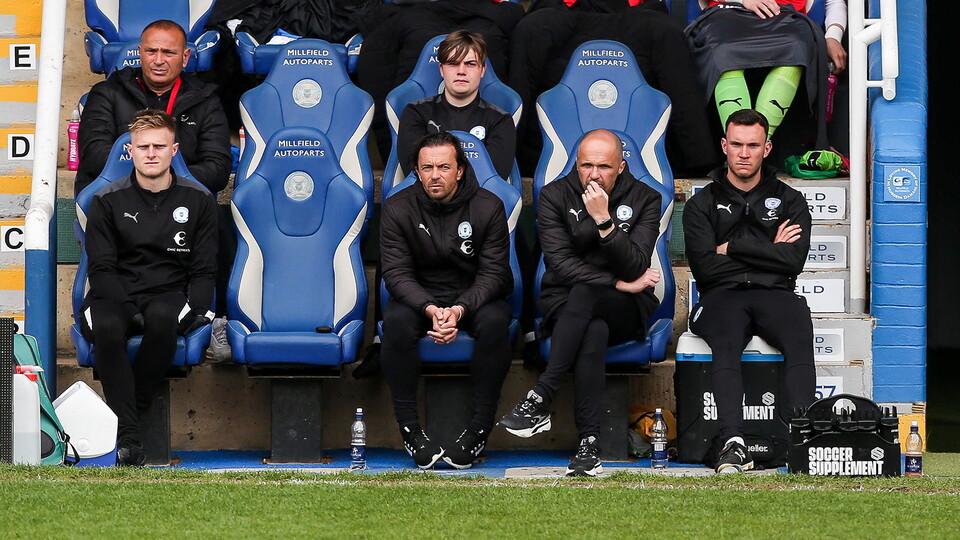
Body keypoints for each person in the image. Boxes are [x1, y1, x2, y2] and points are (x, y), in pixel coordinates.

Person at [499, 129, 662, 477]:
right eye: (586, 165)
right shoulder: (556, 194)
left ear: (621, 165)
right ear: (576, 164)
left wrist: (604, 221)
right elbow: (561, 266)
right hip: (568, 301)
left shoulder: (647, 197)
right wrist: (617, 281)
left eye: (604, 166)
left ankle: (542, 395)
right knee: (592, 327)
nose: (594, 174)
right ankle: (590, 445)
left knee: (589, 299)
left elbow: (636, 263)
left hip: (626, 307)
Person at [80, 110, 218, 466]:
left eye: (160, 145)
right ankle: (129, 436)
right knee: (108, 326)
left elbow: (203, 271)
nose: (152, 153)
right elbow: (101, 269)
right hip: (113, 295)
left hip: (167, 293)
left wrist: (197, 308)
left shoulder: (199, 200)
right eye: (143, 147)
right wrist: (129, 311)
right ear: (132, 151)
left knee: (162, 318)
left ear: (175, 149)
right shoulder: (106, 200)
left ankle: (125, 431)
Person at [682, 109, 815, 473]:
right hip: (721, 296)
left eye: (752, 145)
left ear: (766, 148)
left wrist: (733, 248)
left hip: (775, 294)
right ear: (724, 146)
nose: (744, 153)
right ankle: (732, 442)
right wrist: (769, 250)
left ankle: (804, 439)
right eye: (737, 144)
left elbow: (792, 262)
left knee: (798, 327)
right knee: (726, 337)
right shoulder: (700, 204)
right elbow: (705, 267)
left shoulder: (790, 201)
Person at [380, 131, 513, 469]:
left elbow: (494, 274)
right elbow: (396, 274)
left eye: (443, 166)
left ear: (460, 170)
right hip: (420, 300)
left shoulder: (488, 206)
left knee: (498, 321)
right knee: (394, 321)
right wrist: (430, 308)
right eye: (426, 168)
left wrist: (457, 309)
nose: (434, 175)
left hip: (473, 300)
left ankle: (479, 429)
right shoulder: (398, 207)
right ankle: (410, 430)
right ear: (417, 171)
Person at [76, 19, 231, 196]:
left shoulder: (206, 100)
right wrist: (147, 178)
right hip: (118, 197)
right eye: (151, 51)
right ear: (140, 53)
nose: (158, 60)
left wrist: (167, 180)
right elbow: (92, 155)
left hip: (182, 198)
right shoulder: (107, 92)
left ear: (185, 57)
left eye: (168, 53)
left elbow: (218, 168)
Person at [686, 0, 847, 146]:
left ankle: (756, 146)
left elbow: (833, 2)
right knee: (724, 52)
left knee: (796, 48)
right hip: (726, 13)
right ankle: (738, 145)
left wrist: (833, 36)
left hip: (788, 18)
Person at [396, 30, 516, 181]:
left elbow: (493, 179)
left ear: (482, 70)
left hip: (479, 202)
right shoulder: (415, 113)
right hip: (427, 201)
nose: (461, 71)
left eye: (470, 64)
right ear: (441, 69)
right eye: (453, 64)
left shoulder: (500, 120)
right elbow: (414, 171)